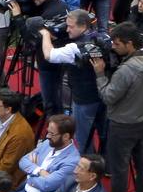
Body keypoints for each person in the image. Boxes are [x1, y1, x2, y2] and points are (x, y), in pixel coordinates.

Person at [92, 21, 143, 192]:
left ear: (129, 44)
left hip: (121, 125)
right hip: (142, 121)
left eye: (117, 43)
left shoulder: (126, 70)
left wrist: (99, 75)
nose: (113, 47)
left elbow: (108, 97)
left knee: (119, 169)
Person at [38, 9, 107, 154]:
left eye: (70, 26)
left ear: (83, 26)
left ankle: (88, 166)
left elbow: (49, 55)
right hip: (104, 94)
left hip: (84, 98)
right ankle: (105, 166)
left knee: (82, 138)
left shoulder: (74, 48)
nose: (67, 30)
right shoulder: (102, 38)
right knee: (104, 134)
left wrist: (45, 34)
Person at [11, 118, 81, 192]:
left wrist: (30, 175)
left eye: (52, 134)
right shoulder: (48, 143)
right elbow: (23, 161)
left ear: (66, 136)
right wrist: (39, 170)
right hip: (22, 191)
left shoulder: (73, 160)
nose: (47, 136)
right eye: (48, 132)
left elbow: (47, 184)